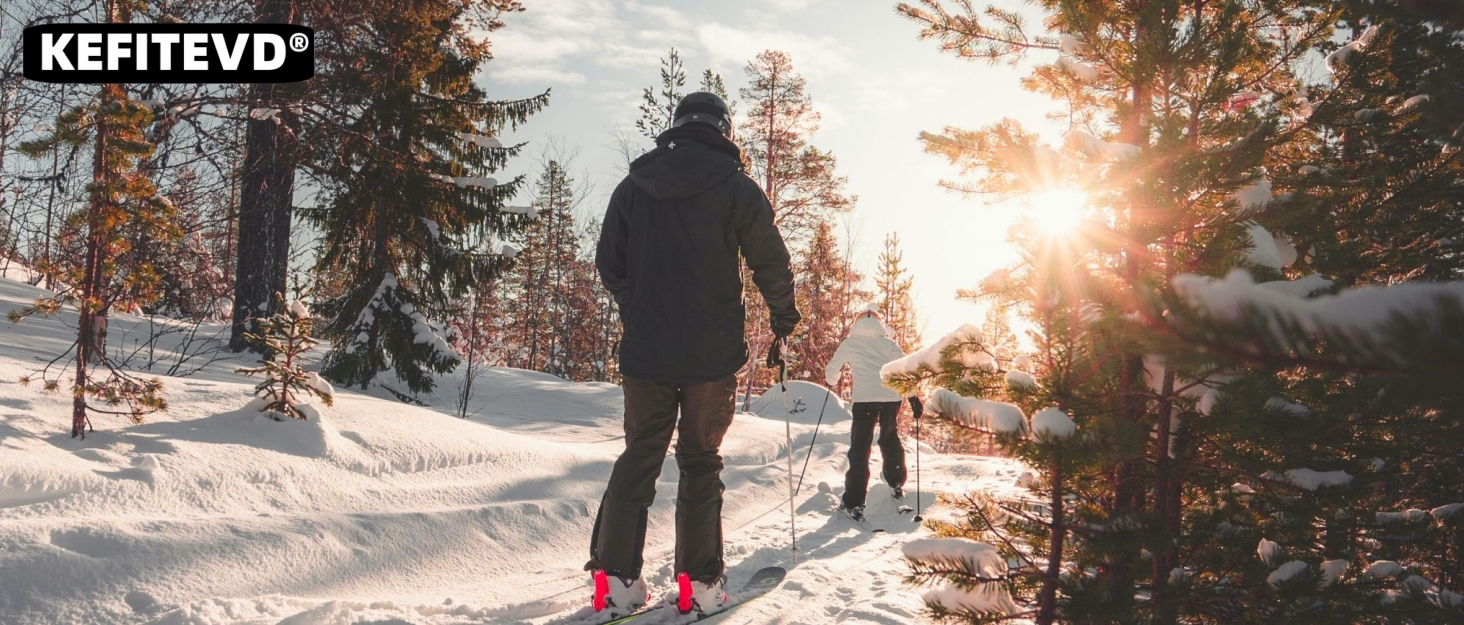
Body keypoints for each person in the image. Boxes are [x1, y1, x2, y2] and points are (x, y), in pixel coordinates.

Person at [588, 92, 800, 618]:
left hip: (646, 355)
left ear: (676, 127)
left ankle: (614, 581)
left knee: (640, 456)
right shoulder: (735, 188)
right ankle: (699, 585)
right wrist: (783, 320)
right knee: (701, 462)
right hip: (710, 358)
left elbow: (608, 263)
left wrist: (636, 305)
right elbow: (770, 261)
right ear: (723, 129)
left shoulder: (634, 186)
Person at [824, 308, 923, 522]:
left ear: (856, 323)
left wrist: (835, 376)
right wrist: (914, 397)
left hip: (864, 399)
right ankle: (896, 484)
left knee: (860, 447)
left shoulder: (850, 343)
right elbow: (906, 369)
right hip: (891, 398)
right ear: (879, 324)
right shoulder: (888, 343)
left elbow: (831, 375)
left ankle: (854, 502)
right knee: (889, 437)